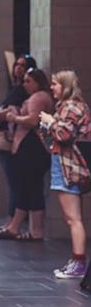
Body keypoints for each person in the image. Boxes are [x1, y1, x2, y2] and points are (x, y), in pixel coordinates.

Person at [39, 70, 91, 279]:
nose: (52, 88)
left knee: (73, 218)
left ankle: (79, 262)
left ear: (65, 86)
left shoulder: (71, 107)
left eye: (55, 84)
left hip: (69, 166)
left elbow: (64, 134)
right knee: (71, 217)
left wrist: (50, 122)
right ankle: (76, 259)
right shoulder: (68, 106)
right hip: (63, 163)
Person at [0, 68, 53, 241]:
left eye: (28, 81)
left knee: (31, 188)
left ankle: (35, 230)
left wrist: (13, 118)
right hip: (31, 147)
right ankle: (24, 227)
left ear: (38, 82)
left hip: (32, 147)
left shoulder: (38, 97)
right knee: (27, 187)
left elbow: (34, 120)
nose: (25, 84)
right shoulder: (40, 97)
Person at [0, 54, 37, 233]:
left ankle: (13, 223)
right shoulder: (15, 88)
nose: (18, 67)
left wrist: (0, 114)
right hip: (8, 139)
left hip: (15, 141)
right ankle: (11, 222)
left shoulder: (22, 92)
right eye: (17, 64)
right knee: (14, 182)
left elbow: (9, 111)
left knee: (16, 183)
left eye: (23, 65)